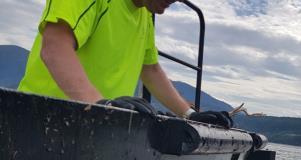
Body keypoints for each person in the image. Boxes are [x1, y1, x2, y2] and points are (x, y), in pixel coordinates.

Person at [18, 0, 196, 119]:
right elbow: (55, 46)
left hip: (99, 128)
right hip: (39, 119)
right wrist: (102, 107)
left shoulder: (144, 13)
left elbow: (150, 69)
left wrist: (189, 114)